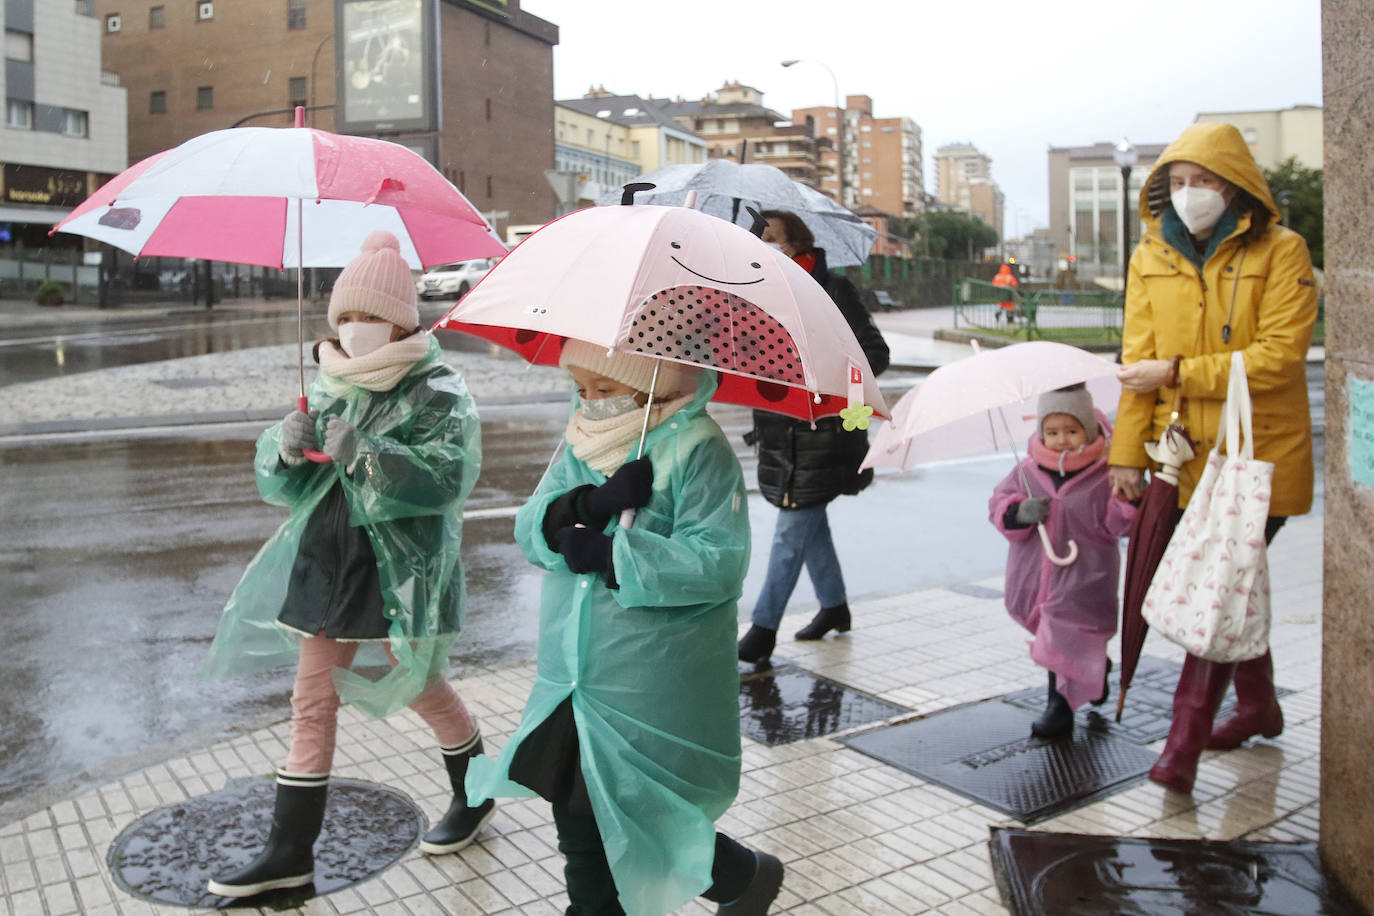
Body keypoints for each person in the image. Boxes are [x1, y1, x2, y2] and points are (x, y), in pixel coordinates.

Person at [202, 231, 492, 897]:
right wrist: (286, 446)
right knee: (312, 701)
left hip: (398, 568)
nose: (358, 329)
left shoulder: (437, 387)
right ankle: (289, 852)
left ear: (402, 319)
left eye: (372, 316)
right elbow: (290, 486)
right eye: (348, 316)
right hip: (328, 560)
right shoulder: (328, 380)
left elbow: (448, 475)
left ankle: (475, 795)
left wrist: (367, 452)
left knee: (417, 681)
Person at [465, 340, 783, 916]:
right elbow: (530, 529)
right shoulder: (582, 439)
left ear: (649, 383)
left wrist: (616, 555)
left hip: (646, 678)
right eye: (583, 388)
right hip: (572, 674)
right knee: (580, 814)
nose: (590, 401)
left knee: (627, 808)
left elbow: (718, 560)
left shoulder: (697, 447)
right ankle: (738, 877)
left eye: (606, 389)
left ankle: (736, 877)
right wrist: (586, 502)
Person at [1108, 122, 1318, 793]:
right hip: (1183, 460)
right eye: (1177, 181)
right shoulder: (1150, 255)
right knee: (1232, 586)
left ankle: (1181, 745)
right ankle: (1257, 705)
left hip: (1259, 460)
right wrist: (1125, 456)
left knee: (1214, 591)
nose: (1190, 193)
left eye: (1204, 181)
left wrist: (1174, 372)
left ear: (1236, 186)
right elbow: (1136, 362)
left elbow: (1280, 357)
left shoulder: (1283, 251)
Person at [736, 210, 890, 665]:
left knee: (791, 529)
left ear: (797, 242)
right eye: (760, 240)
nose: (767, 246)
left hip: (827, 434)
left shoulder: (833, 290)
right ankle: (835, 608)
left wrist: (824, 372)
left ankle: (762, 630)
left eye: (774, 238)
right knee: (808, 524)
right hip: (780, 435)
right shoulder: (757, 296)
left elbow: (875, 354)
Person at [989, 384, 1137, 738]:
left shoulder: (1103, 474)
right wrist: (1018, 512)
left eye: (1071, 431)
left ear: (1089, 429)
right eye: (1052, 432)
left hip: (1086, 576)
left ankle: (1065, 699)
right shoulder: (1027, 472)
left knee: (1068, 634)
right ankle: (1079, 685)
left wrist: (1128, 501)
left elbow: (1120, 524)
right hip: (1036, 576)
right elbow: (998, 503)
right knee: (1053, 634)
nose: (1061, 441)